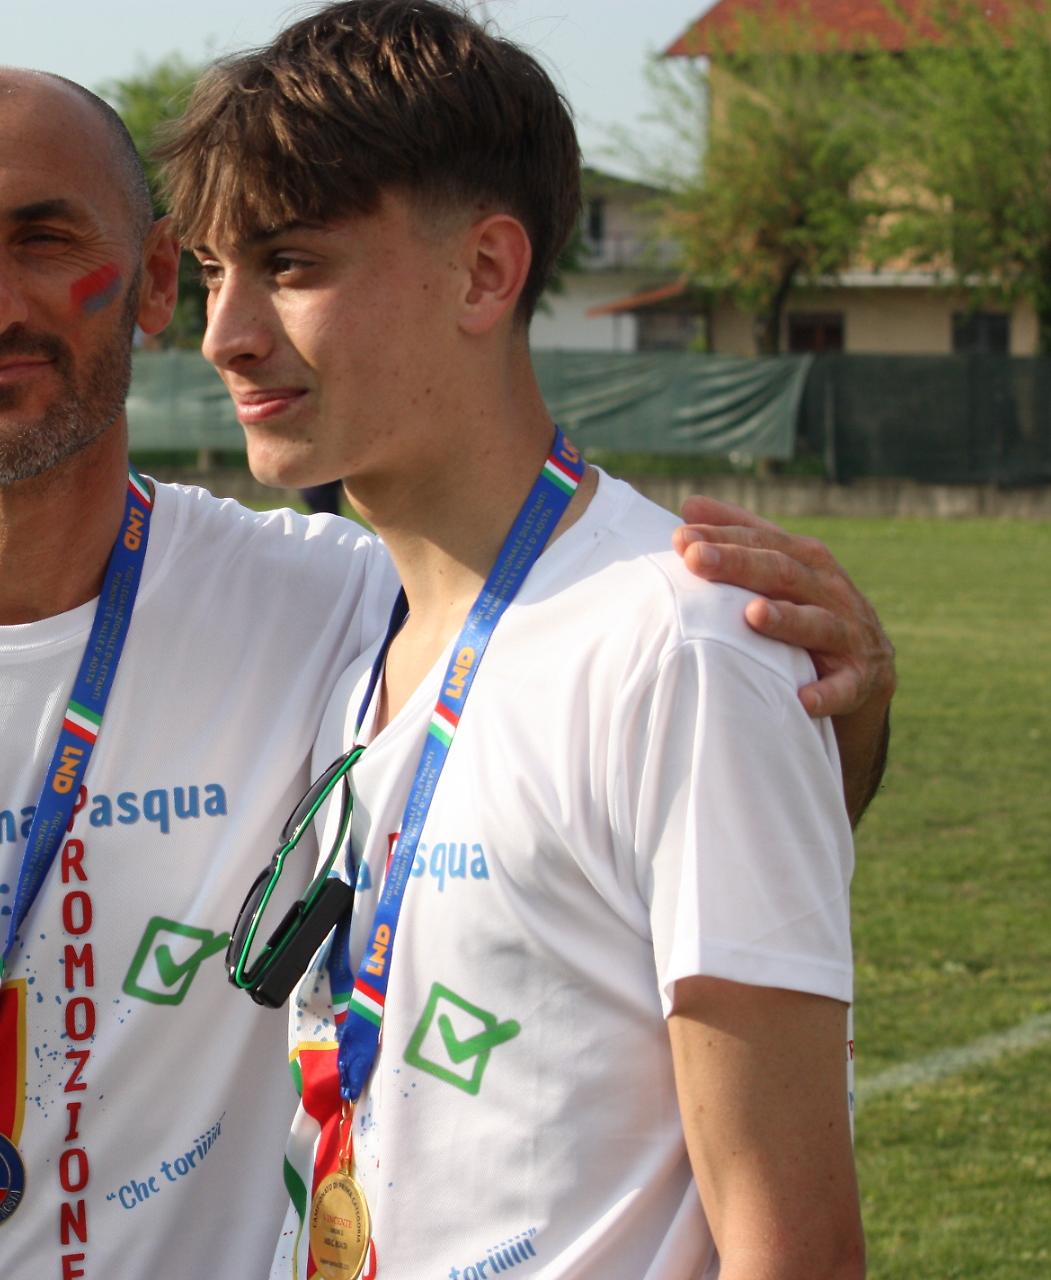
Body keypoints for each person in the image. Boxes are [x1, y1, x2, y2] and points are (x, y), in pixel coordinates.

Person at [0, 67, 892, 1280]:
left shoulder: (332, 604)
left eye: (46, 239)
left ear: (155, 278)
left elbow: (624, 779)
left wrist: (826, 703)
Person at [159, 4, 872, 1277]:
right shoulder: (357, 634)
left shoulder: (681, 641)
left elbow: (793, 1241)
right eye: (215, 272)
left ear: (486, 273)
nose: (225, 332)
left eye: (291, 263)